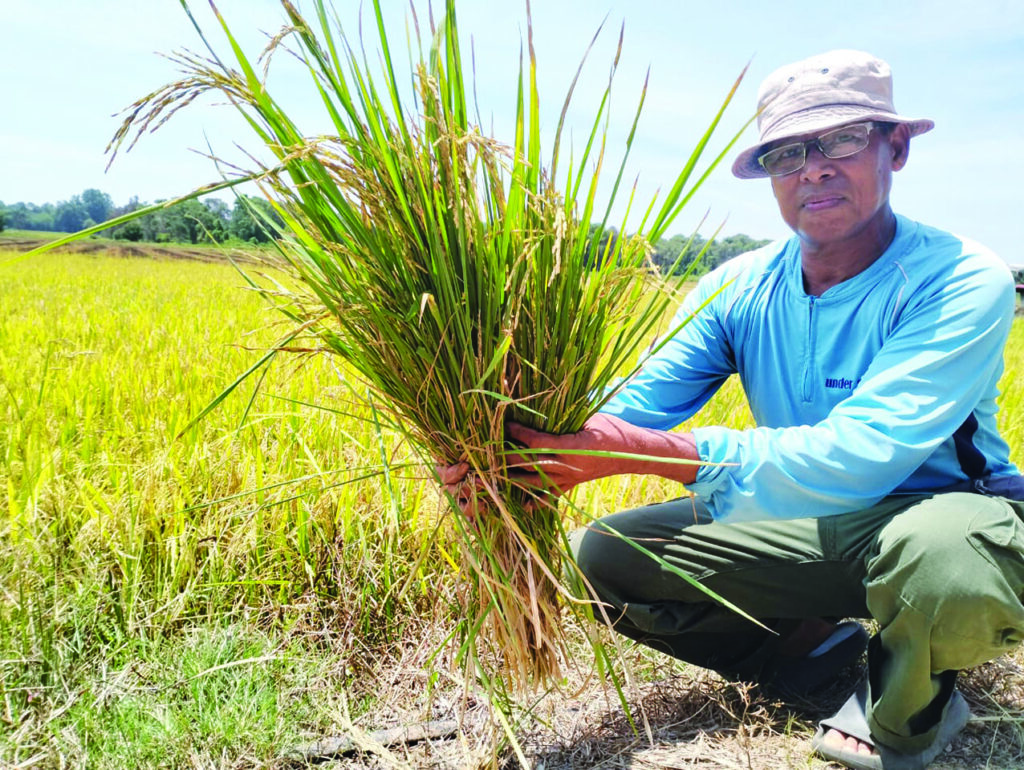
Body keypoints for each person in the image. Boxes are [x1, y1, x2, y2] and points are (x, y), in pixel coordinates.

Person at [443, 49, 1024, 768]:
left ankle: (913, 699)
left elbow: (863, 456)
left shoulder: (961, 277)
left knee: (945, 567)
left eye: (841, 140)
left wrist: (665, 455)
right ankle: (813, 655)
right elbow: (633, 407)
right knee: (610, 558)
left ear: (894, 147)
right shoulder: (737, 287)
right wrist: (514, 445)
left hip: (945, 511)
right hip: (811, 522)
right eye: (787, 152)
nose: (813, 167)